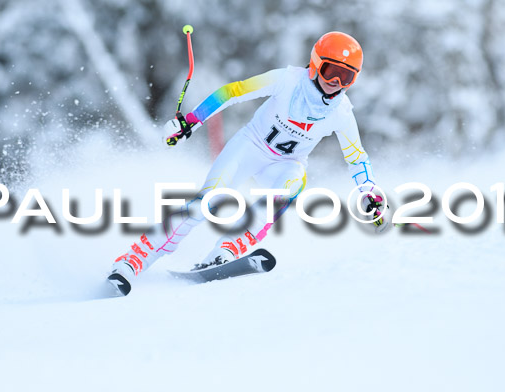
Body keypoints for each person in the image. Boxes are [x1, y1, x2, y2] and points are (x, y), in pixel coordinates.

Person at [107, 31, 391, 296]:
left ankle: (226, 251)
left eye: (347, 77)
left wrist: (369, 192)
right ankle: (133, 260)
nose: (336, 83)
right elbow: (232, 92)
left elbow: (356, 157)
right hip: (251, 147)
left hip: (286, 163)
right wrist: (191, 121)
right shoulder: (287, 80)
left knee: (292, 185)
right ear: (316, 65)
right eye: (332, 72)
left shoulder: (341, 112)